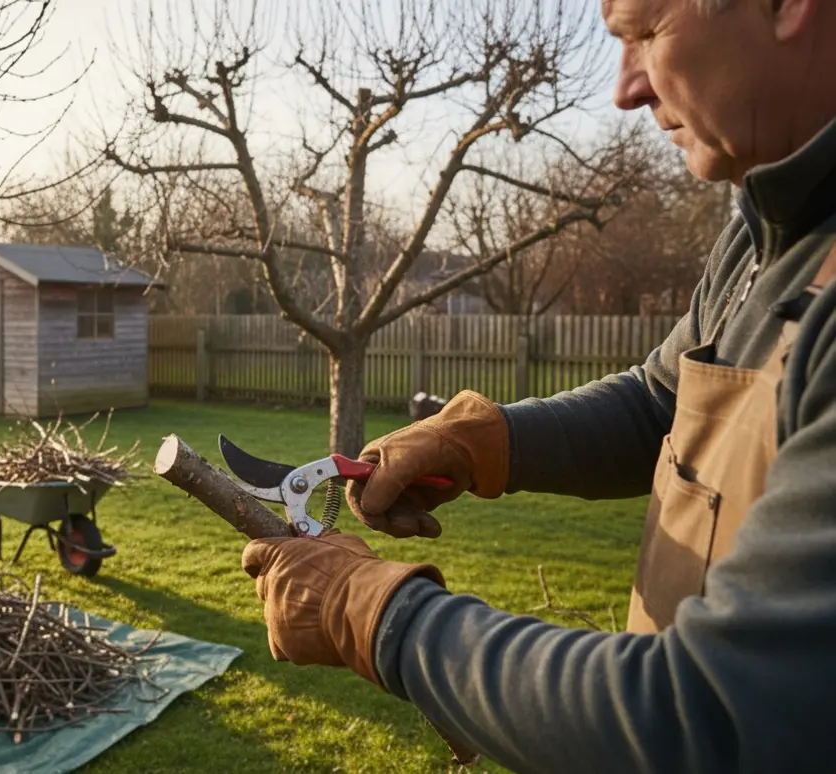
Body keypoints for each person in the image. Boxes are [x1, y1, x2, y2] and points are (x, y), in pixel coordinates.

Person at [239, 0, 836, 771]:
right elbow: (666, 401)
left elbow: (709, 716)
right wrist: (484, 439)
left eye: (646, 34)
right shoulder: (767, 232)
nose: (627, 89)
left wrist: (373, 612)